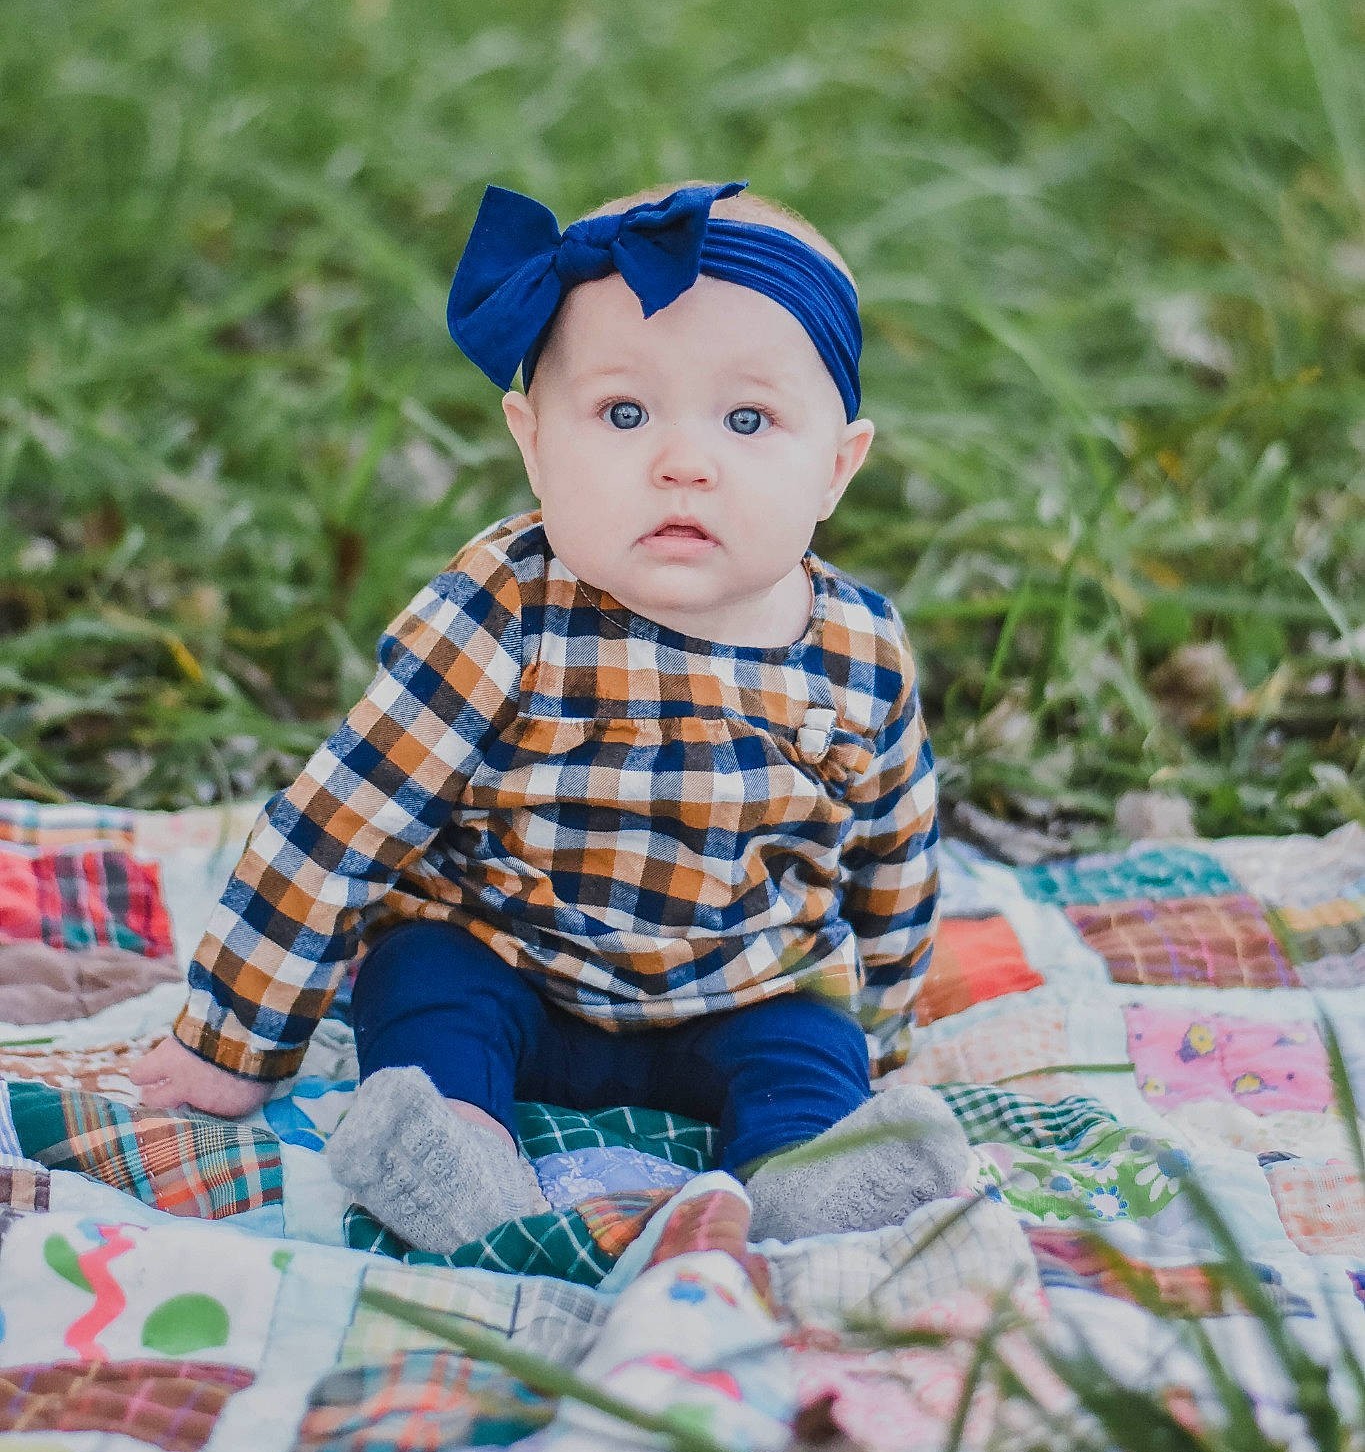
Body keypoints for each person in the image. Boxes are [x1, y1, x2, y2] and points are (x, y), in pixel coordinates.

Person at [129, 180, 968, 1248]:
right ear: (533, 443)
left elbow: (894, 862)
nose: (682, 459)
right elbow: (342, 818)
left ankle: (811, 1171)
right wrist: (230, 1038)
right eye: (623, 412)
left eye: (748, 418)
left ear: (837, 467)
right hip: (509, 951)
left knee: (809, 1046)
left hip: (743, 985)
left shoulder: (859, 652)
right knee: (422, 978)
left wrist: (882, 1034)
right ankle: (454, 1145)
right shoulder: (503, 607)